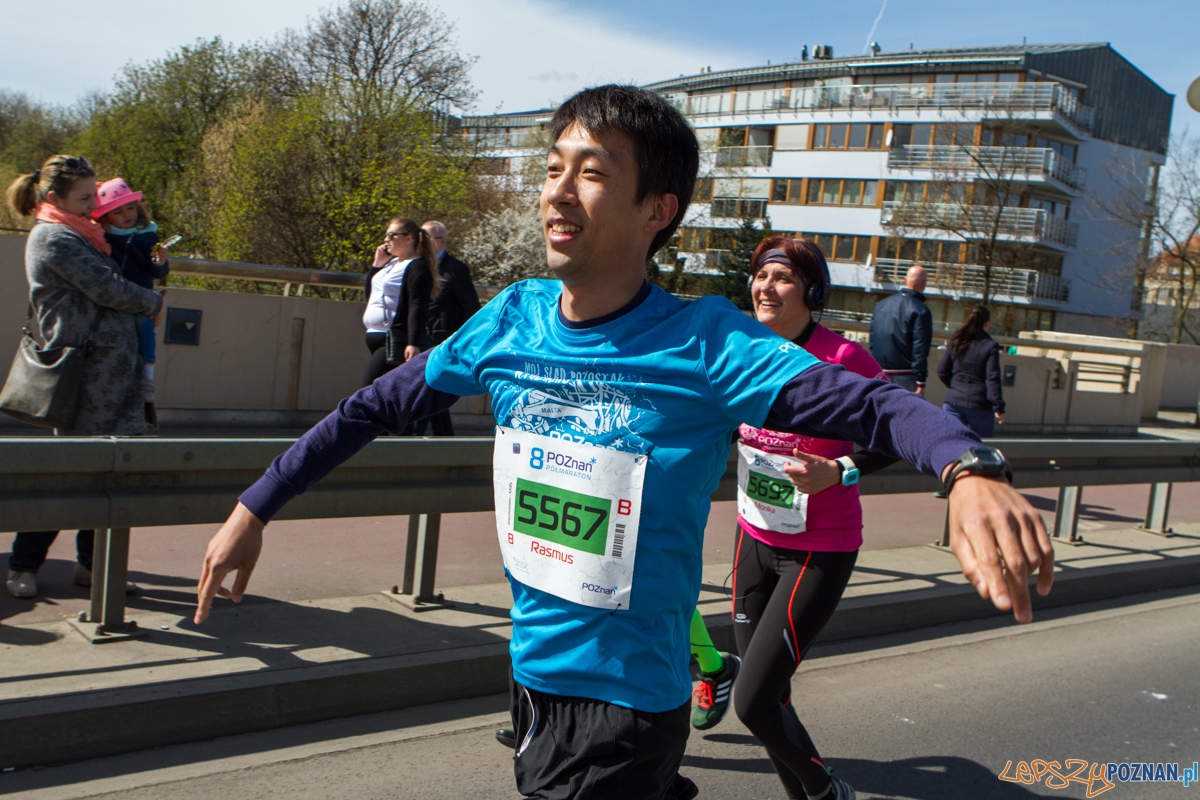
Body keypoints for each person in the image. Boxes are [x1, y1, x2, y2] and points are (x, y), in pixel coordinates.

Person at [194, 86, 1054, 800]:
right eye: (553, 169)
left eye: (593, 172)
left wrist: (969, 468)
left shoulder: (706, 344)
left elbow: (878, 407)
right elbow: (372, 407)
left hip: (627, 706)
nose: (558, 192)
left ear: (657, 210)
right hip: (531, 678)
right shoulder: (514, 317)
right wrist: (255, 506)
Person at [730, 236, 899, 800]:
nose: (766, 287)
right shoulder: (745, 349)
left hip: (817, 549)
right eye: (761, 275)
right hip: (752, 536)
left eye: (782, 278)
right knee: (772, 697)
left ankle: (825, 792)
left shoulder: (842, 358)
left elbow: (896, 430)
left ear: (813, 293)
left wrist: (841, 469)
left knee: (752, 700)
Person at [4, 155, 164, 600]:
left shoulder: (82, 232)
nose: (95, 204)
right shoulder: (55, 237)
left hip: (108, 372)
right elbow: (107, 288)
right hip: (86, 375)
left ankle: (92, 566)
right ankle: (24, 564)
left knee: (107, 476)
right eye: (85, 197)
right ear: (54, 197)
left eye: (95, 195)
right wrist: (153, 302)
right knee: (69, 476)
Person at [92, 178, 170, 427]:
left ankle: (148, 376)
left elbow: (158, 271)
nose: (126, 215)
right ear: (106, 216)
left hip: (139, 297)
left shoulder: (147, 236)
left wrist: (159, 261)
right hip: (113, 296)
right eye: (118, 211)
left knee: (144, 328)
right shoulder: (101, 236)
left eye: (130, 208)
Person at [414, 220, 480, 436]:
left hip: (442, 341)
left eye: (425, 238)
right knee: (432, 390)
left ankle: (415, 436)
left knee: (431, 388)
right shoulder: (418, 266)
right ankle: (442, 438)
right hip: (420, 338)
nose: (420, 242)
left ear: (441, 241)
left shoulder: (455, 269)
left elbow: (471, 306)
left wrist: (462, 342)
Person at [361, 217, 439, 389]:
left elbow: (417, 305)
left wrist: (413, 342)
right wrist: (377, 264)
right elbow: (371, 294)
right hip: (376, 335)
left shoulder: (416, 267)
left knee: (368, 389)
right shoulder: (392, 263)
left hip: (393, 339)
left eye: (391, 235)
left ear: (408, 238)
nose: (386, 240)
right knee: (385, 391)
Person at [938, 305, 1005, 438]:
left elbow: (942, 371)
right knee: (982, 445)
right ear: (987, 323)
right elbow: (992, 378)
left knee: (950, 442)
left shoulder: (958, 340)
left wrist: (955, 386)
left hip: (953, 401)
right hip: (979, 404)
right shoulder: (990, 346)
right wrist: (998, 406)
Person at [869, 265, 932, 394]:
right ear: (924, 283)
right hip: (906, 375)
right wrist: (921, 380)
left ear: (905, 280)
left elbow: (873, 340)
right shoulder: (921, 310)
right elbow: (920, 348)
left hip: (879, 372)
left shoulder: (880, 305)